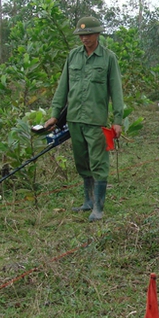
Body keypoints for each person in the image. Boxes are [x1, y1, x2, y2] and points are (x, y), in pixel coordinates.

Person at [44, 16, 124, 222]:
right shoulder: (73, 57)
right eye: (81, 36)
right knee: (81, 161)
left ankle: (98, 207)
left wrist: (118, 119)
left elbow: (116, 91)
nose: (84, 39)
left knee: (98, 162)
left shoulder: (108, 58)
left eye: (88, 34)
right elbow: (63, 87)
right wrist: (54, 115)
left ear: (97, 34)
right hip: (74, 119)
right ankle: (87, 201)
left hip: (95, 120)